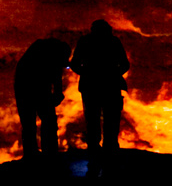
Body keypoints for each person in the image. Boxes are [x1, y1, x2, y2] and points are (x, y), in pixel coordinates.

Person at [69, 19, 129, 175]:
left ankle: (95, 152)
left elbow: (75, 64)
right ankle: (110, 152)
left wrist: (87, 73)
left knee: (93, 119)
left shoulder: (85, 41)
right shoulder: (114, 42)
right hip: (110, 86)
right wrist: (113, 74)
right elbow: (125, 64)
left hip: (90, 86)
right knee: (111, 119)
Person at [14, 38, 71, 160]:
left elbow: (56, 73)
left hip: (24, 85)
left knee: (29, 122)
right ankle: (49, 153)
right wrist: (57, 93)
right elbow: (56, 74)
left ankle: (32, 153)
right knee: (47, 120)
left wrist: (56, 93)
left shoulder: (41, 51)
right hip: (33, 86)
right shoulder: (50, 56)